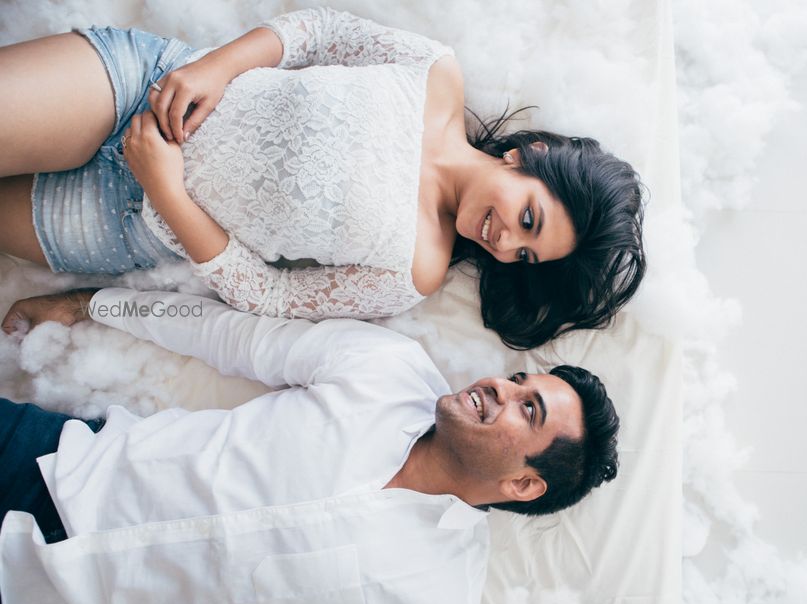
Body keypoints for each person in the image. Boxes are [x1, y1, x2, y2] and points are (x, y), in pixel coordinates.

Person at [0, 287, 621, 604]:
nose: (500, 388)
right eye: (519, 382)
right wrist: (87, 305)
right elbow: (224, 333)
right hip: (51, 466)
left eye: (528, 410)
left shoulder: (440, 601)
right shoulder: (386, 368)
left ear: (524, 484)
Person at [0, 7, 646, 349]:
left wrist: (165, 188)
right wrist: (215, 70)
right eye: (528, 218)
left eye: (524, 254)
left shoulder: (412, 273)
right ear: (527, 154)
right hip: (144, 89)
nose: (505, 243)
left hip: (122, 219)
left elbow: (268, 297)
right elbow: (318, 32)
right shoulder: (435, 75)